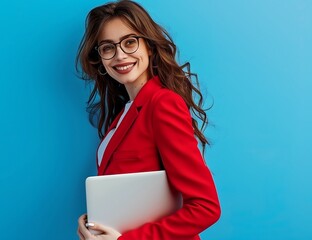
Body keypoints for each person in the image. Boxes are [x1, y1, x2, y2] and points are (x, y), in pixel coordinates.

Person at [75, 1, 221, 239]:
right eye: (108, 47)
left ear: (149, 47)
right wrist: (94, 226)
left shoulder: (163, 104)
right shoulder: (124, 113)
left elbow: (206, 208)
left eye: (130, 42)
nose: (120, 55)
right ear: (100, 58)